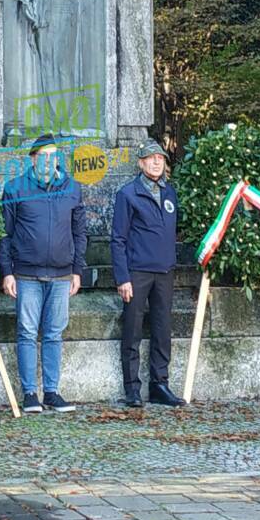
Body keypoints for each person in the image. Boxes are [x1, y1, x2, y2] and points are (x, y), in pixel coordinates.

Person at [0, 133, 86, 413]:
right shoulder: (15, 188)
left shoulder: (72, 188)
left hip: (62, 275)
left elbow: (79, 232)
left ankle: (51, 391)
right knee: (26, 332)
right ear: (33, 159)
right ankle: (29, 394)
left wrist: (77, 270)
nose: (49, 160)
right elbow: (4, 234)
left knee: (54, 333)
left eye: (54, 155)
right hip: (26, 274)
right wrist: (7, 272)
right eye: (43, 155)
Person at [111, 141, 185, 407]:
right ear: (140, 163)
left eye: (160, 158)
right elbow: (118, 239)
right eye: (150, 158)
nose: (156, 162)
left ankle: (159, 384)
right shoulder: (128, 194)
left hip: (165, 272)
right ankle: (132, 388)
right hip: (137, 273)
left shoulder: (170, 193)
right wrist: (123, 278)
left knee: (162, 330)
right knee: (132, 330)